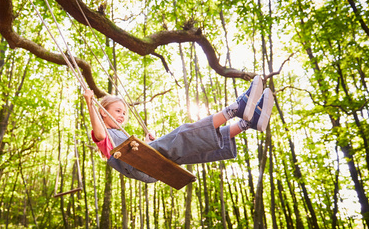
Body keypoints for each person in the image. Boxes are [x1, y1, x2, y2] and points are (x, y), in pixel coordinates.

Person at [83, 76, 274, 183]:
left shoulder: (122, 137)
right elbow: (99, 134)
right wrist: (90, 103)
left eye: (124, 113)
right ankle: (235, 109)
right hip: (136, 165)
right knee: (183, 134)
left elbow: (136, 150)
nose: (122, 116)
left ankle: (247, 124)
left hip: (145, 165)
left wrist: (148, 142)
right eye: (117, 111)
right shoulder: (106, 135)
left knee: (193, 149)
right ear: (103, 113)